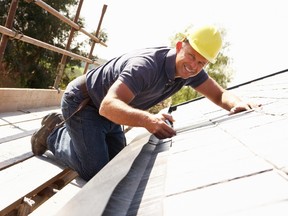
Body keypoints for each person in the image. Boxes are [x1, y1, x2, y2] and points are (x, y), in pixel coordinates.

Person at [31, 25, 260, 181]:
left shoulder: (191, 72)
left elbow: (220, 95)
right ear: (180, 46)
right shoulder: (146, 66)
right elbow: (108, 105)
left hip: (112, 113)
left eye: (201, 62)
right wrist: (148, 119)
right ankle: (53, 133)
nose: (194, 66)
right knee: (96, 172)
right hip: (85, 104)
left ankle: (76, 135)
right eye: (191, 56)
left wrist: (238, 105)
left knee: (118, 167)